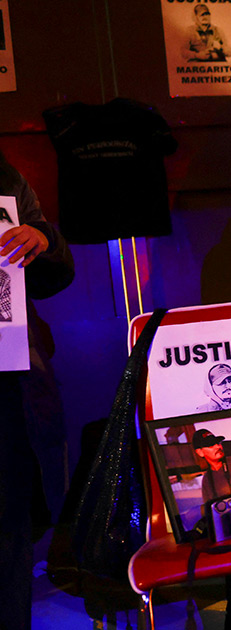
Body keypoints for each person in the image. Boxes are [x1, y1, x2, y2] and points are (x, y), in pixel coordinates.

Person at [0, 151, 74, 630]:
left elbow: (57, 268)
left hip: (7, 374)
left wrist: (41, 238)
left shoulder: (4, 174)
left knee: (10, 527)